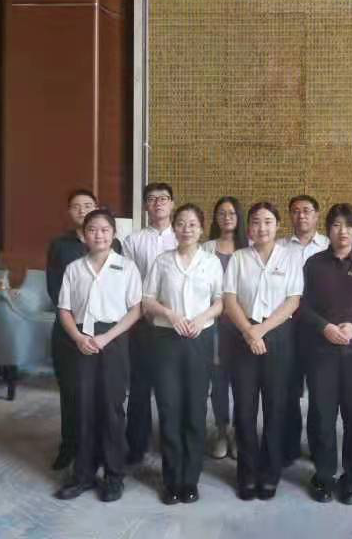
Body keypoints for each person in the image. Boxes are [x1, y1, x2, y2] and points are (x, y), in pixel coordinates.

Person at [54, 209, 142, 502]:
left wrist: (107, 337)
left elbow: (135, 310)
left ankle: (114, 476)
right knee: (83, 407)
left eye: (105, 230)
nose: (99, 235)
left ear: (114, 234)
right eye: (92, 229)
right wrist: (78, 337)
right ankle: (83, 474)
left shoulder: (127, 267)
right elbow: (64, 309)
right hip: (81, 340)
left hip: (113, 339)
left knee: (111, 408)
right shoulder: (74, 268)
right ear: (84, 235)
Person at [143, 204, 224, 505]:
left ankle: (190, 479)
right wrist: (170, 314)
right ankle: (171, 480)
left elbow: (220, 301)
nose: (186, 229)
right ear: (174, 228)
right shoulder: (162, 261)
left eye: (192, 224)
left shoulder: (211, 262)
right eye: (181, 223)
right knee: (169, 408)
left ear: (201, 229)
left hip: (199, 340)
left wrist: (201, 319)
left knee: (195, 409)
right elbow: (147, 299)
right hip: (165, 339)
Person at [301, 203, 352, 505]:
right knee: (322, 416)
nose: (342, 231)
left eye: (348, 226)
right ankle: (323, 477)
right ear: (328, 230)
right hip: (321, 352)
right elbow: (302, 306)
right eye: (336, 225)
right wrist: (324, 327)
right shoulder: (314, 264)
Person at [223, 202, 303, 500]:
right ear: (249, 226)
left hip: (278, 336)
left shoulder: (290, 257)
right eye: (256, 222)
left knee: (275, 408)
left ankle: (270, 474)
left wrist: (261, 330)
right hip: (242, 336)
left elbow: (293, 300)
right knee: (244, 410)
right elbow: (229, 299)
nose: (261, 228)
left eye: (268, 221)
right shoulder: (239, 258)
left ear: (278, 225)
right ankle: (246, 474)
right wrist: (249, 331)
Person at [45, 189, 122, 471]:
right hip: (70, 330)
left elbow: (118, 292)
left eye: (88, 205)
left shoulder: (114, 245)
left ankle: (101, 450)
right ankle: (69, 446)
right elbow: (55, 290)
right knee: (71, 393)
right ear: (69, 212)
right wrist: (77, 328)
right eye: (76, 206)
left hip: (103, 333)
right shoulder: (60, 245)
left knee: (103, 395)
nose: (82, 210)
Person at [123, 182, 178, 464]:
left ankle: (172, 444)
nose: (158, 203)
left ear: (172, 203)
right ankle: (137, 445)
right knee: (140, 386)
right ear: (145, 205)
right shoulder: (133, 241)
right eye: (152, 199)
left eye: (163, 198)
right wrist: (143, 312)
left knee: (171, 387)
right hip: (142, 321)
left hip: (175, 323)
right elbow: (129, 280)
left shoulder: (182, 236)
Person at [277, 195, 329, 465]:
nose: (301, 216)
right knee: (288, 389)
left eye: (307, 210)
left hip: (321, 328)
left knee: (320, 392)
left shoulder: (329, 245)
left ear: (317, 215)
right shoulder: (279, 247)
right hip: (288, 326)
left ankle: (319, 447)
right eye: (295, 211)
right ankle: (289, 445)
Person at [202, 196, 248, 460]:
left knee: (243, 380)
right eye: (221, 213)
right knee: (218, 380)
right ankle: (221, 430)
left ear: (239, 217)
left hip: (243, 323)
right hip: (214, 324)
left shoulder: (249, 247)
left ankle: (239, 432)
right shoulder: (206, 248)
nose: (227, 217)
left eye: (232, 213)